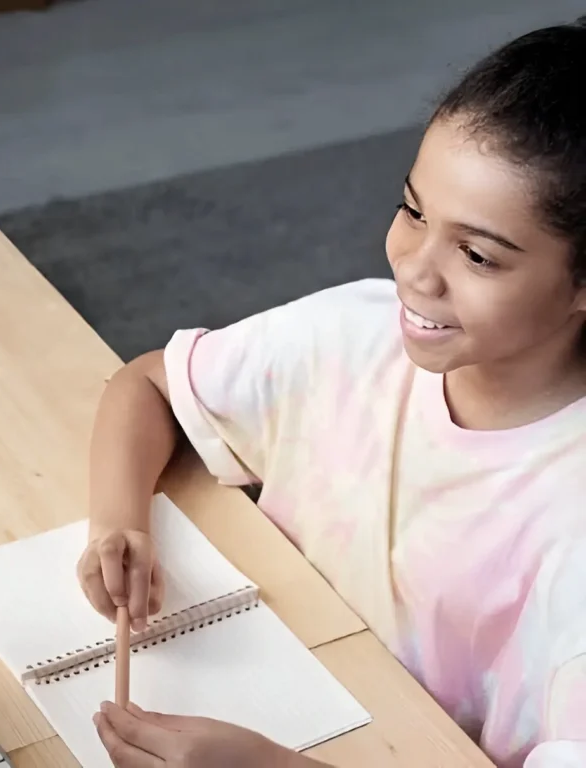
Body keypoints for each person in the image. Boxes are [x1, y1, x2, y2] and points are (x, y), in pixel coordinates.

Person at [77, 15, 586, 768]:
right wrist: (120, 523)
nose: (414, 268)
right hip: (278, 683)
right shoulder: (354, 333)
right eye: (413, 211)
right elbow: (148, 382)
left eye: (477, 254)